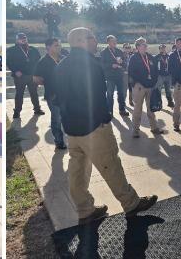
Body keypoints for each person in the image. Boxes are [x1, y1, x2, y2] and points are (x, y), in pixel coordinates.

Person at [53, 28, 157, 224]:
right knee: (111, 164)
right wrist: (103, 118)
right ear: (82, 41)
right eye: (92, 38)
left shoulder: (61, 65)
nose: (96, 41)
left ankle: (84, 209)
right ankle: (131, 203)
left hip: (72, 129)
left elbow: (56, 97)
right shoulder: (90, 64)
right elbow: (95, 96)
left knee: (77, 170)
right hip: (93, 127)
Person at [127, 38, 165, 138]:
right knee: (138, 109)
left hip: (150, 87)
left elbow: (156, 71)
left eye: (145, 44)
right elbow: (131, 72)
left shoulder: (150, 57)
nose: (145, 46)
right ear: (138, 47)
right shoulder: (134, 58)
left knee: (151, 108)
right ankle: (135, 130)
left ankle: (154, 127)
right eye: (143, 44)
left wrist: (153, 82)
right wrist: (140, 82)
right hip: (139, 87)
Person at [34, 38, 67, 150]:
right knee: (56, 119)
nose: (59, 47)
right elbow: (36, 79)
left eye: (59, 45)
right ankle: (59, 141)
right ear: (48, 47)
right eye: (56, 45)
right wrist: (49, 83)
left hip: (66, 94)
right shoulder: (43, 62)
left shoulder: (63, 59)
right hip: (53, 95)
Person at [8, 33, 43, 119]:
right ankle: (17, 112)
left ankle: (37, 109)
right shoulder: (11, 50)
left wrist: (38, 73)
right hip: (20, 76)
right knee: (19, 94)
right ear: (17, 40)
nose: (23, 39)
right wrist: (15, 71)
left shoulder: (33, 49)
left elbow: (39, 61)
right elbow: (9, 62)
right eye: (20, 38)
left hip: (32, 76)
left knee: (34, 93)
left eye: (24, 38)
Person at [100, 35, 129, 117]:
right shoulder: (104, 52)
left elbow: (124, 63)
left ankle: (122, 110)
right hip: (110, 77)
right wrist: (111, 65)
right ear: (108, 42)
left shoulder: (119, 51)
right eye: (113, 41)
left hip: (119, 76)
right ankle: (109, 112)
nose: (115, 42)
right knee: (110, 94)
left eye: (115, 40)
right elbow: (102, 65)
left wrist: (122, 63)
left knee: (121, 93)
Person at [155, 43, 173, 107]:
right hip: (160, 76)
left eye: (164, 48)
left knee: (168, 89)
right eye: (161, 48)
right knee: (158, 89)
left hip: (168, 75)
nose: (163, 49)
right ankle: (159, 103)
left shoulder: (169, 56)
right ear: (159, 49)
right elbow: (154, 67)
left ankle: (170, 101)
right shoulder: (156, 57)